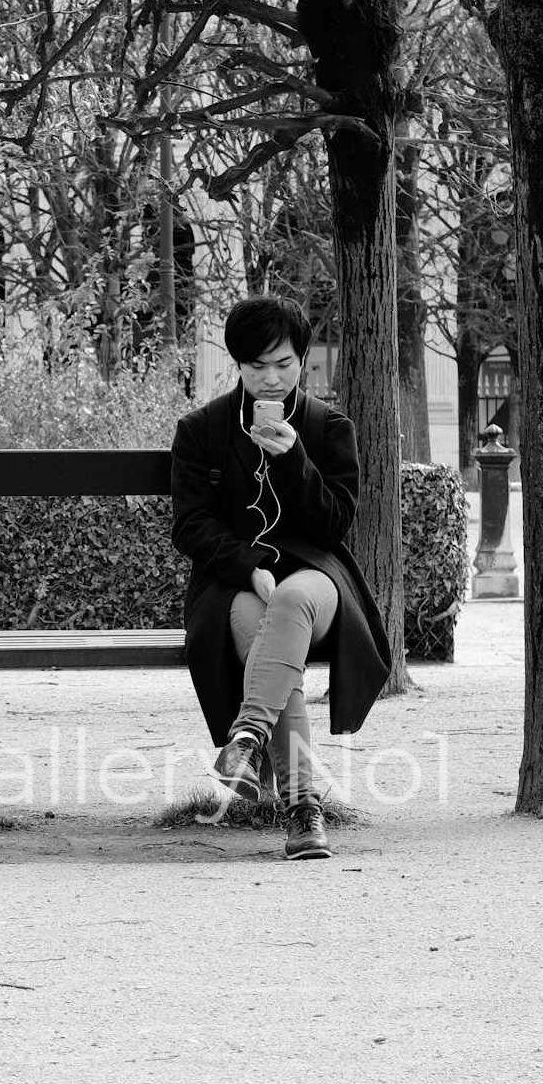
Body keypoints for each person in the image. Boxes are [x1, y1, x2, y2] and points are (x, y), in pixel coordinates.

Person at [170, 295, 391, 861]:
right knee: (272, 639)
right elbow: (192, 525)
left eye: (284, 364)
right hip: (236, 586)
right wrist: (248, 567)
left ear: (303, 361)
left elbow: (336, 524)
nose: (271, 379)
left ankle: (244, 737)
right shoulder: (202, 431)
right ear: (237, 365)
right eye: (256, 366)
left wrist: (295, 461)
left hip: (317, 579)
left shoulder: (328, 427)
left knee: (291, 600)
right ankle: (302, 810)